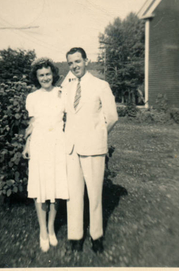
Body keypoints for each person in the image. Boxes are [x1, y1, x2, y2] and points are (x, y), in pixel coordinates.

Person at [64, 47, 118, 254]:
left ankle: (96, 236)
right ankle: (76, 236)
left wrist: (98, 134)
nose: (74, 66)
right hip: (72, 149)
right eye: (70, 63)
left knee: (94, 194)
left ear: (86, 61)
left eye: (78, 61)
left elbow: (112, 116)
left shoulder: (100, 85)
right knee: (74, 194)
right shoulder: (67, 88)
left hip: (93, 148)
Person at [22, 57, 68, 252]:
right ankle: (42, 231)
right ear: (37, 77)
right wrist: (27, 144)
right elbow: (32, 124)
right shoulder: (32, 97)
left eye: (48, 74)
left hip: (58, 143)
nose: (45, 78)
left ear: (53, 75)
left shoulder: (61, 93)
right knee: (40, 187)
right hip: (40, 144)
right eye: (41, 75)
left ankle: (51, 229)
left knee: (56, 187)